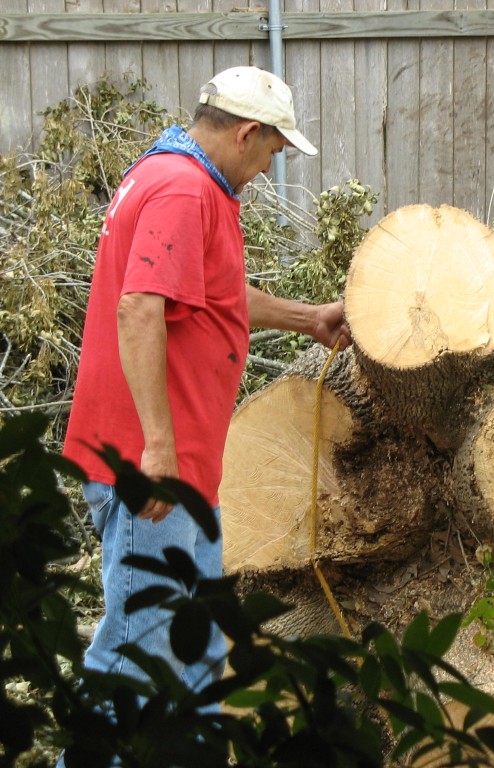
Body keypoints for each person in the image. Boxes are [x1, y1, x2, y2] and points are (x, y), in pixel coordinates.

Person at [61, 66, 352, 712]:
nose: (269, 169)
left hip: (186, 469)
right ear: (248, 133)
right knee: (139, 658)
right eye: (273, 152)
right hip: (150, 469)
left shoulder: (180, 180)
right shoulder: (183, 191)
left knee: (195, 659)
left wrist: (309, 318)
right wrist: (159, 449)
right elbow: (139, 308)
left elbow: (213, 297)